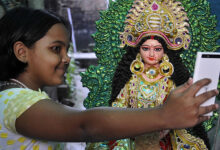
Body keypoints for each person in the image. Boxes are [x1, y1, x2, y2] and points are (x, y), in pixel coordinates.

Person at [0, 7, 218, 150]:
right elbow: (85, 126)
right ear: (22, 52)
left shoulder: (23, 97)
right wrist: (163, 114)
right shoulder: (15, 101)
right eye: (56, 49)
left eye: (67, 49)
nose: (66, 58)